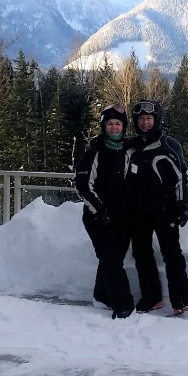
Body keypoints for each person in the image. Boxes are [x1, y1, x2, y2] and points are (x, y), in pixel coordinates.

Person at [126, 99, 188, 315]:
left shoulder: (168, 145)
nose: (146, 123)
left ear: (156, 120)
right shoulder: (131, 148)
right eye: (141, 119)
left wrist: (183, 204)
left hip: (165, 210)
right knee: (141, 254)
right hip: (138, 211)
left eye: (149, 118)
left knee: (172, 253)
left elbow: (182, 177)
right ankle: (151, 297)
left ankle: (181, 299)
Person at [73, 103, 135, 319]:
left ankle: (101, 295)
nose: (114, 127)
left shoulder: (129, 150)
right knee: (111, 259)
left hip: (123, 217)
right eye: (110, 124)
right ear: (103, 126)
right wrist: (100, 211)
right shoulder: (95, 152)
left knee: (112, 259)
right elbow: (83, 185)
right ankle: (123, 304)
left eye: (118, 123)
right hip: (98, 217)